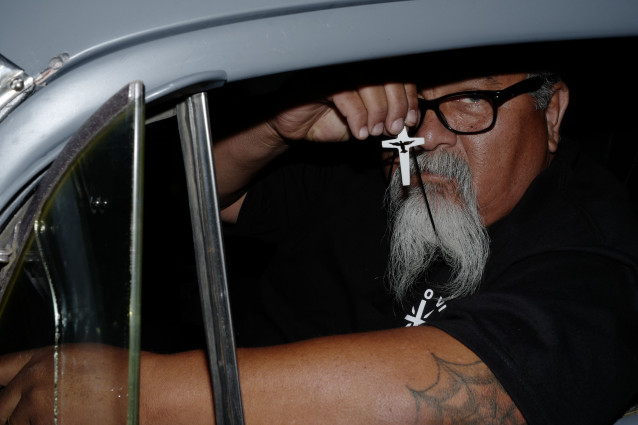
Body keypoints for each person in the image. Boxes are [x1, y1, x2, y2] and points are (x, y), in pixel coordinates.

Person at [1, 65, 638, 425]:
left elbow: (492, 392)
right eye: (416, 107)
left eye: (472, 101)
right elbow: (203, 192)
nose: (426, 139)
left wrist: (142, 396)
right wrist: (276, 129)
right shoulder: (370, 166)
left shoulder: (596, 245)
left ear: (552, 114)